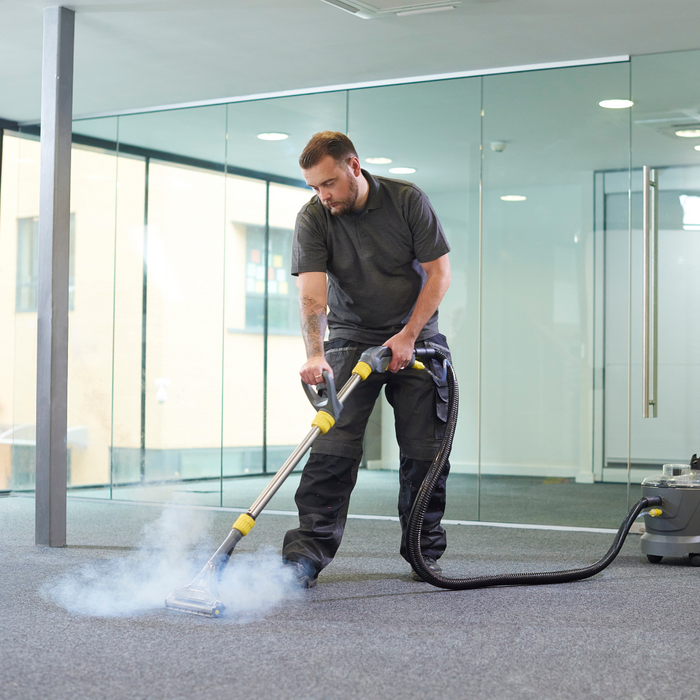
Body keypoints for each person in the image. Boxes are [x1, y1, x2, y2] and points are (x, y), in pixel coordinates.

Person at [282, 131, 452, 587]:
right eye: (314, 187)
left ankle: (422, 550)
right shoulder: (314, 216)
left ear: (353, 166)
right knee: (331, 449)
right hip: (351, 337)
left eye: (329, 183)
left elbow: (439, 274)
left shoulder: (406, 201)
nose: (324, 195)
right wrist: (315, 355)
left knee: (425, 453)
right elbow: (312, 295)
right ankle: (305, 556)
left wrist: (408, 335)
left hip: (416, 338)